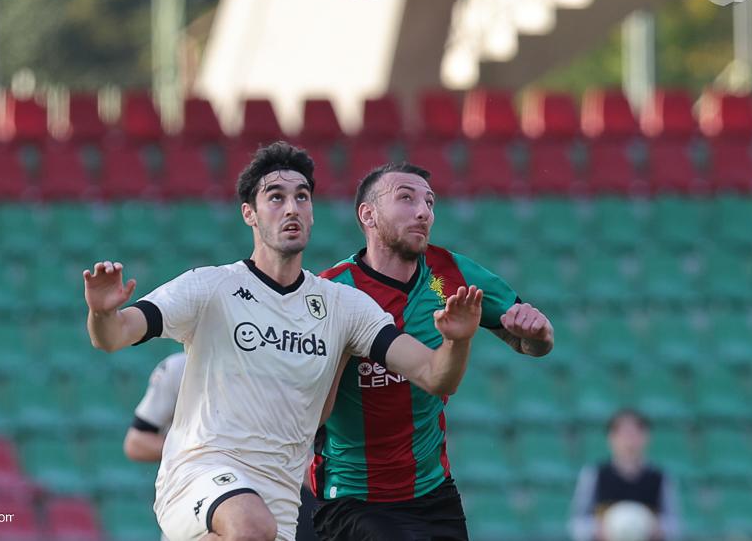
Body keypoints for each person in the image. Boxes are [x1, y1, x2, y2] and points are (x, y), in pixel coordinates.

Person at [84, 142, 485, 541]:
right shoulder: (211, 287)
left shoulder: (343, 307)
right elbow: (115, 335)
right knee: (250, 525)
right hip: (200, 472)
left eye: (302, 197)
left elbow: (435, 376)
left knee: (254, 526)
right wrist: (103, 313)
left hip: (281, 499)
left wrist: (459, 342)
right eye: (275, 197)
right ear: (250, 214)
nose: (292, 207)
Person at [311, 162, 555, 541]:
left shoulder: (450, 273)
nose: (423, 211)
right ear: (368, 215)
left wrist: (537, 332)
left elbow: (532, 342)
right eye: (406, 198)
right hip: (353, 498)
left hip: (433, 492)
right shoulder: (332, 292)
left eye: (429, 201)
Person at [123, 351, 318, 541]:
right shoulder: (179, 368)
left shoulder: (269, 373)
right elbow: (136, 442)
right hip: (200, 488)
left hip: (262, 490)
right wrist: (206, 447)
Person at [569, 409, 682, 541]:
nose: (629, 441)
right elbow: (577, 523)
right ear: (611, 438)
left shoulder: (659, 477)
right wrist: (596, 529)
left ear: (646, 437)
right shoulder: (594, 475)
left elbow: (674, 524)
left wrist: (659, 528)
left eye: (634, 433)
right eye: (623, 434)